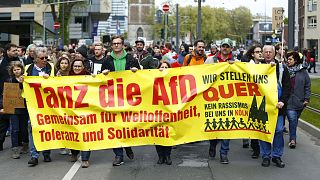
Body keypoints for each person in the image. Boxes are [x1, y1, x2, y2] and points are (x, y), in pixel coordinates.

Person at [101, 35, 140, 166]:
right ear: (111, 46)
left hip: (128, 99)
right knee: (114, 126)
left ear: (123, 45)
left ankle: (127, 145)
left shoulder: (131, 59)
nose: (116, 45)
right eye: (114, 43)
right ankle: (118, 155)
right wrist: (103, 74)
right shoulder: (106, 60)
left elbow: (141, 78)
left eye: (118, 43)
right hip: (113, 99)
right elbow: (101, 81)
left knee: (127, 126)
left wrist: (136, 72)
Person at [204, 38, 235, 164]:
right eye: (223, 46)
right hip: (213, 98)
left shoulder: (235, 62)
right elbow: (202, 75)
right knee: (214, 126)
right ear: (220, 47)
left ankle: (224, 153)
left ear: (231, 48)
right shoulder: (211, 60)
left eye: (227, 46)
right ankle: (212, 144)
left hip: (229, 99)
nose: (225, 48)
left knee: (227, 126)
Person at [260, 45, 291, 168]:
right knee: (264, 131)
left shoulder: (282, 68)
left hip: (278, 106)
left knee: (278, 131)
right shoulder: (256, 67)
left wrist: (283, 101)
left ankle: (277, 156)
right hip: (262, 107)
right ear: (262, 53)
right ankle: (266, 156)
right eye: (266, 52)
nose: (268, 54)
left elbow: (287, 87)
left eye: (270, 52)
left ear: (274, 53)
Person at [24, 47, 55, 166]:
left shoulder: (51, 67)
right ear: (35, 58)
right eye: (42, 58)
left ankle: (46, 152)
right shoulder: (28, 69)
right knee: (33, 129)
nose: (45, 60)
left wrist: (50, 79)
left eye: (46, 57)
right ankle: (34, 155)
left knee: (47, 128)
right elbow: (23, 85)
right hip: (33, 104)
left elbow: (58, 83)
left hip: (48, 104)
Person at [68, 58, 92, 168]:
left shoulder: (90, 77)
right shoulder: (66, 78)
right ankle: (74, 152)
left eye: (79, 66)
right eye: (75, 66)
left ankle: (85, 158)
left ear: (83, 67)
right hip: (71, 111)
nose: (77, 68)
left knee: (86, 134)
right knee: (73, 132)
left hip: (86, 110)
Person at [285, 51, 311, 149]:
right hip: (288, 101)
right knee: (292, 119)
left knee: (294, 120)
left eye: (290, 59)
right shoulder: (285, 70)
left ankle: (292, 136)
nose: (288, 61)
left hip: (300, 101)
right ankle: (293, 140)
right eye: (287, 59)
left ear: (295, 60)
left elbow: (307, 85)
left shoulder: (303, 71)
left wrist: (306, 98)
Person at [6, 61, 29, 159]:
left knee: (24, 128)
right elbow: (6, 94)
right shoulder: (10, 80)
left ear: (22, 69)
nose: (16, 71)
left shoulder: (26, 79)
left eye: (18, 69)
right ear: (12, 71)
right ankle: (15, 148)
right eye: (14, 70)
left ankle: (25, 144)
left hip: (24, 107)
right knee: (14, 129)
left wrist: (23, 82)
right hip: (13, 108)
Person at [0, 43, 19, 151]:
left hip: (16, 94)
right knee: (3, 120)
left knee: (16, 119)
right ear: (7, 51)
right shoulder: (3, 64)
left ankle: (18, 143)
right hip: (4, 94)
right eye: (13, 50)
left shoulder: (17, 61)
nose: (16, 52)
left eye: (16, 50)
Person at [155, 61, 173, 165]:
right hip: (157, 111)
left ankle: (167, 155)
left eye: (166, 67)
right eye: (162, 67)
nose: (164, 69)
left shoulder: (174, 80)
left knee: (168, 133)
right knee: (157, 134)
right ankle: (160, 156)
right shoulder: (153, 79)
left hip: (169, 111)